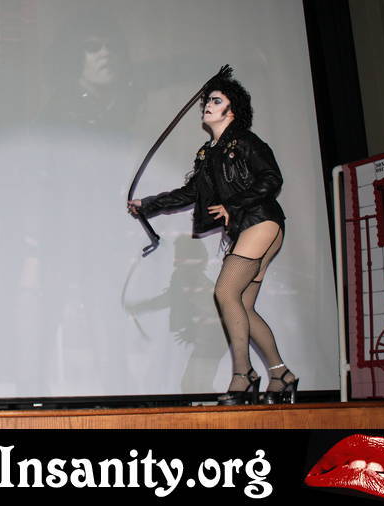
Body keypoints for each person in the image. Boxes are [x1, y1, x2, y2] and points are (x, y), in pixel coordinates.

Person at [127, 70, 297, 405]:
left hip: (261, 221)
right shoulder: (207, 154)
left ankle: (243, 374)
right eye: (207, 100)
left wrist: (232, 204)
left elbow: (271, 178)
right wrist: (148, 204)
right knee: (243, 306)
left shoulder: (245, 142)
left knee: (224, 291)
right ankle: (281, 375)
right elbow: (190, 192)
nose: (208, 105)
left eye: (216, 100)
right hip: (248, 228)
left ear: (232, 110)